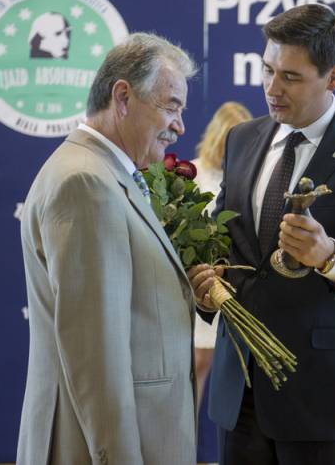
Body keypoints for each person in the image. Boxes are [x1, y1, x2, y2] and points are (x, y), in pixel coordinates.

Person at [190, 4, 335, 465]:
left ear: (333, 77)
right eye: (267, 70)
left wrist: (330, 255)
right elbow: (229, 245)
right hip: (240, 394)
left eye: (290, 77)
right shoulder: (241, 139)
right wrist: (205, 283)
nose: (272, 88)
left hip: (324, 401)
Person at [17, 32, 199, 465]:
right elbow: (96, 353)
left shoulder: (103, 173)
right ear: (123, 97)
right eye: (171, 106)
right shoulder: (86, 183)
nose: (179, 125)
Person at [191, 101, 253, 411]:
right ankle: (184, 436)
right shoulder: (192, 174)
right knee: (198, 364)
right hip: (201, 282)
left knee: (230, 368)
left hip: (235, 286)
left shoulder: (246, 178)